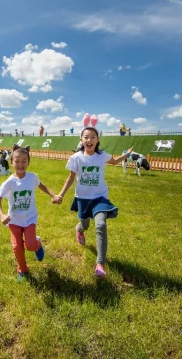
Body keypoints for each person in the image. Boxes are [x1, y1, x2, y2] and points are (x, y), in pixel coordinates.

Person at [54, 115, 133, 278]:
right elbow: (70, 178)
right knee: (85, 224)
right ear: (81, 140)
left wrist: (127, 155)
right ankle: (79, 229)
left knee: (100, 225)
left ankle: (100, 263)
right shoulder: (76, 158)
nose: (89, 140)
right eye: (86, 137)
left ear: (97, 140)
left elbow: (115, 161)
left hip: (99, 198)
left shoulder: (102, 155)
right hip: (82, 198)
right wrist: (60, 194)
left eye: (93, 137)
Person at [0, 144, 60, 282]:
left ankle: (37, 244)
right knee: (17, 247)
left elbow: (41, 185)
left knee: (29, 245)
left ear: (28, 162)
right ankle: (23, 270)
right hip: (14, 220)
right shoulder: (9, 182)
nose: (20, 164)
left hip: (30, 218)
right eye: (17, 161)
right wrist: (1, 214)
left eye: (24, 161)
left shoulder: (32, 177)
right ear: (11, 162)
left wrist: (53, 195)